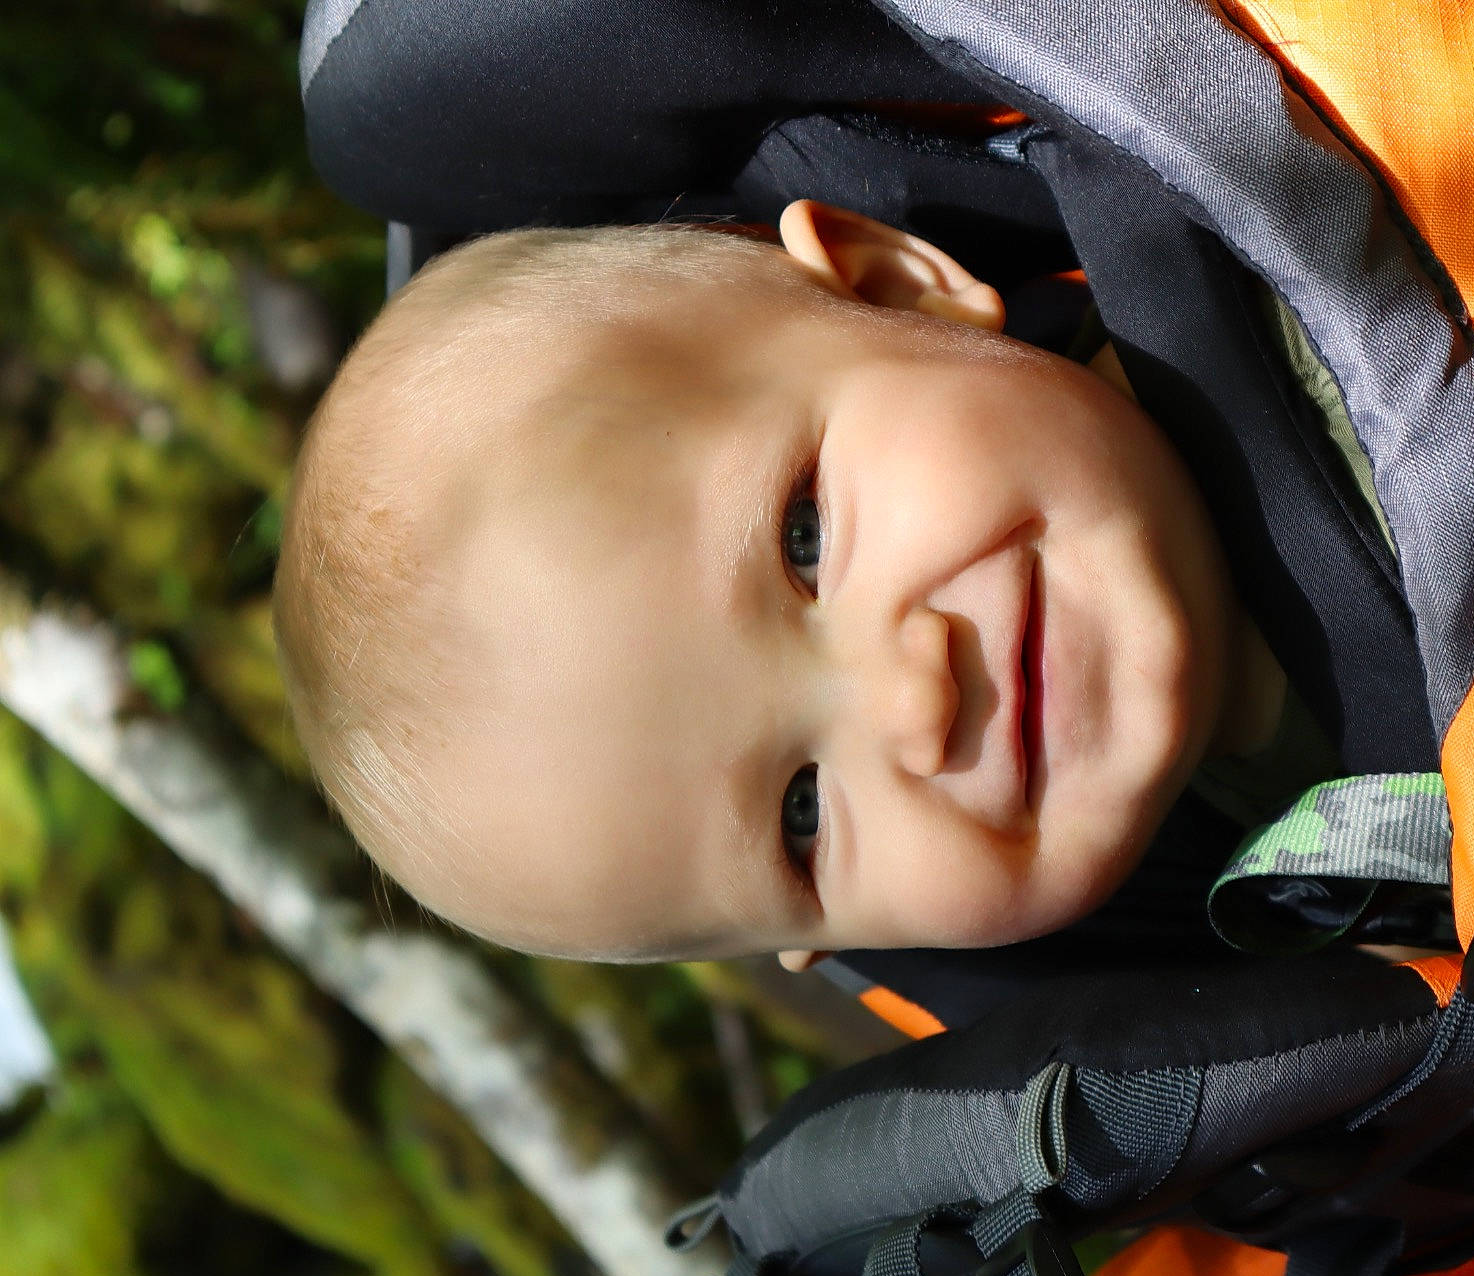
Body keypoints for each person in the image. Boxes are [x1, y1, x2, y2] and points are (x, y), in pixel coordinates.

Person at [273, 198, 1314, 969]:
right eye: (802, 817)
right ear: (838, 943)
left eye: (805, 538)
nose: (914, 702)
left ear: (893, 288)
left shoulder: (1334, 249)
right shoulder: (1332, 957)